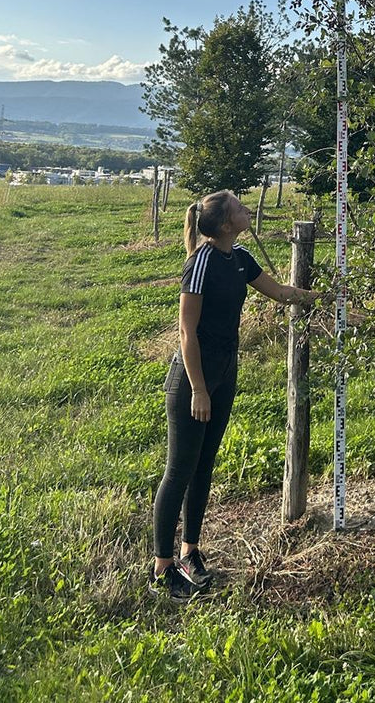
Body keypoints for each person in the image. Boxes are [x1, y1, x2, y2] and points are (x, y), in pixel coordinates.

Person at [150, 189, 318, 599]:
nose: (247, 211)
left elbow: (279, 292)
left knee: (204, 466)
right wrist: (199, 389)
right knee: (178, 472)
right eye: (240, 209)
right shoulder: (201, 263)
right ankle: (162, 568)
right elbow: (187, 332)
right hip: (194, 381)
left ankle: (190, 552)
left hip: (224, 375)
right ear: (225, 223)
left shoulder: (239, 258)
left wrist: (323, 299)